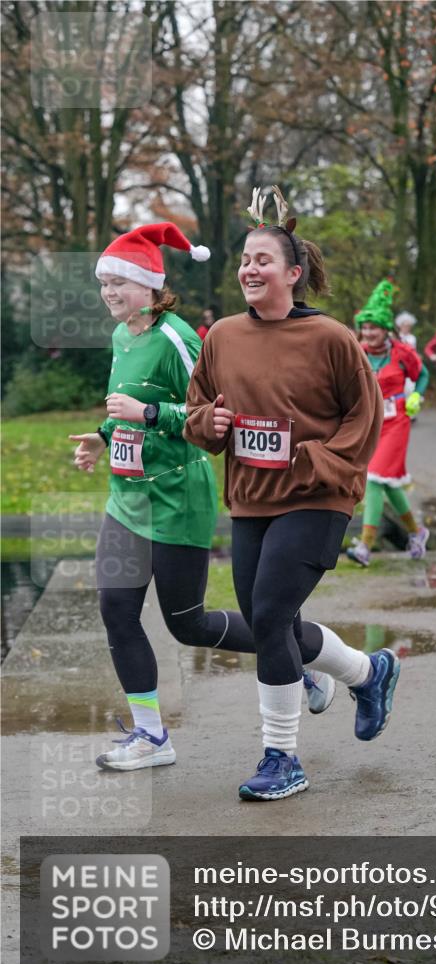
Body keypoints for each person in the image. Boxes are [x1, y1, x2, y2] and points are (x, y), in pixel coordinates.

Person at [70, 222, 377, 777]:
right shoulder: (135, 337)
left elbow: (188, 410)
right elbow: (188, 411)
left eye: (120, 282)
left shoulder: (182, 338)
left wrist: (155, 416)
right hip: (135, 496)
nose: (109, 292)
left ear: (150, 285)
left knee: (212, 622)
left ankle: (317, 681)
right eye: (104, 283)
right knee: (117, 608)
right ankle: (151, 734)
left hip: (179, 497)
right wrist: (106, 434)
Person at [184, 186, 401, 801]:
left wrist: (319, 461)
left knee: (272, 615)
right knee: (265, 620)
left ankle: (282, 758)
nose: (249, 270)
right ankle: (369, 672)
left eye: (263, 260)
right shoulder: (222, 336)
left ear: (293, 272)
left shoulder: (331, 337)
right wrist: (209, 424)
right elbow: (197, 409)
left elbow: (365, 416)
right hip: (251, 497)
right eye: (244, 261)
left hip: (317, 496)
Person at [346, 280, 430, 567]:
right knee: (388, 484)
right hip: (371, 423)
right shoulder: (358, 352)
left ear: (385, 329)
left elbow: (422, 374)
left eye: (374, 328)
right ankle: (417, 533)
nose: (369, 333)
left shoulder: (402, 353)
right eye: (365, 328)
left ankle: (365, 546)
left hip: (397, 422)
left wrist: (416, 394)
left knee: (374, 478)